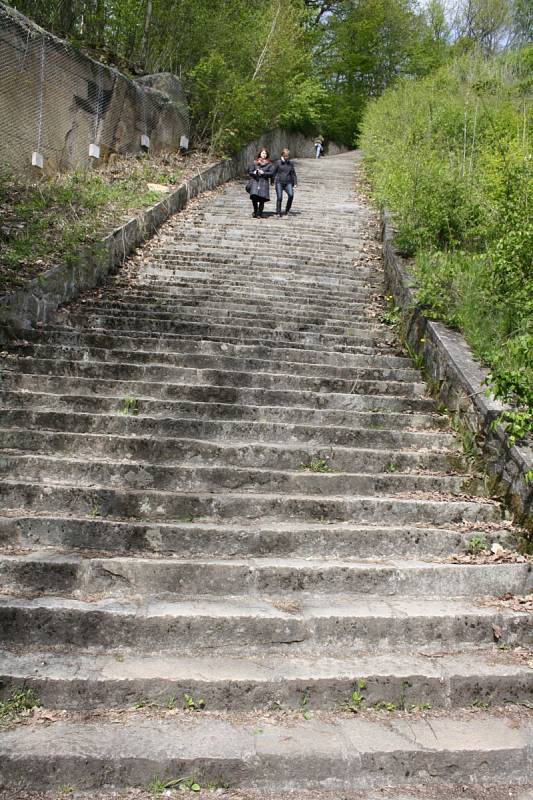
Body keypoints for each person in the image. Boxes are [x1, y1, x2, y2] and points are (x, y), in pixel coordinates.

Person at [246, 148, 274, 218]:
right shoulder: (255, 162)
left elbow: (271, 173)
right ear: (260, 154)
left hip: (264, 182)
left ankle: (259, 213)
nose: (264, 155)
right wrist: (254, 172)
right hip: (255, 181)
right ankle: (255, 211)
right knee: (254, 196)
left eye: (265, 153)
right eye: (262, 153)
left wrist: (264, 173)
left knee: (262, 198)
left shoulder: (269, 164)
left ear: (267, 155)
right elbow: (250, 171)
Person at [273, 148, 297, 217]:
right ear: (282, 155)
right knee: (279, 197)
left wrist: (295, 183)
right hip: (279, 182)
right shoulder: (278, 162)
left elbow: (293, 174)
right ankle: (278, 212)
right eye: (285, 156)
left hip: (288, 182)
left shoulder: (290, 163)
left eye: (288, 156)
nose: (287, 157)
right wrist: (272, 181)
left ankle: (287, 210)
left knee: (291, 195)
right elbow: (274, 172)